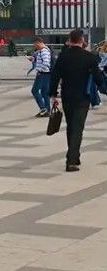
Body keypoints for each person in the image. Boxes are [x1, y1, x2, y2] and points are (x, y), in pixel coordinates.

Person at [50, 29, 104, 172]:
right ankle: (71, 161)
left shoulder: (63, 56)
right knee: (78, 128)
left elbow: (55, 76)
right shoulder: (89, 57)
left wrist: (53, 95)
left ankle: (75, 156)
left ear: (70, 40)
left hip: (67, 96)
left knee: (71, 126)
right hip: (82, 97)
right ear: (82, 40)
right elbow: (99, 78)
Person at [28, 39, 52, 118]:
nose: (34, 46)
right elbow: (43, 61)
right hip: (47, 74)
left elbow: (46, 63)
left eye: (35, 45)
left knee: (34, 90)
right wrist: (33, 59)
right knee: (45, 92)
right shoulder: (45, 50)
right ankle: (47, 110)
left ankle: (43, 108)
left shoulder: (43, 51)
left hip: (42, 74)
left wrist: (39, 70)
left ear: (38, 43)